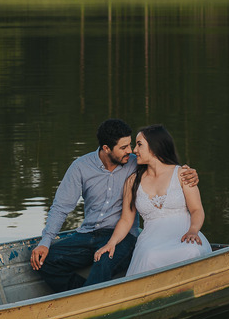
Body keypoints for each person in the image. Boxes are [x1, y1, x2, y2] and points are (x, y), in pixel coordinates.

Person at [31, 118, 197, 292]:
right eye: (123, 147)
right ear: (106, 149)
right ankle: (82, 295)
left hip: (122, 238)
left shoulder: (136, 163)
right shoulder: (80, 167)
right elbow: (60, 207)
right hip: (87, 234)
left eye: (131, 145)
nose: (130, 151)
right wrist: (45, 242)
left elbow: (165, 170)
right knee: (44, 261)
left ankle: (85, 301)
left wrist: (190, 174)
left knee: (103, 263)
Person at [94, 124, 211, 278]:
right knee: (150, 256)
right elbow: (126, 219)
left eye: (139, 144)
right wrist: (111, 243)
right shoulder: (132, 181)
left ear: (155, 147)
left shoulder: (182, 173)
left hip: (184, 232)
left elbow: (196, 209)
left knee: (192, 250)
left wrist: (193, 230)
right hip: (151, 239)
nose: (134, 150)